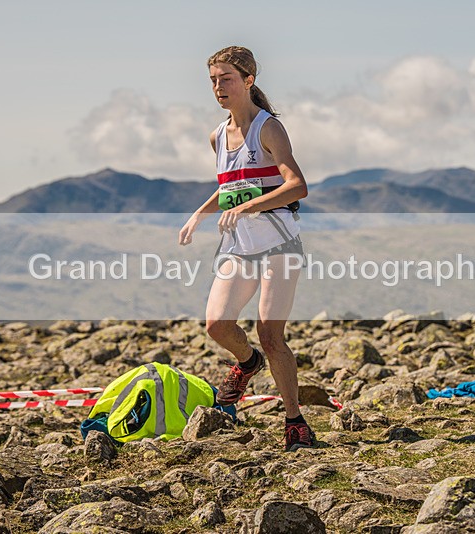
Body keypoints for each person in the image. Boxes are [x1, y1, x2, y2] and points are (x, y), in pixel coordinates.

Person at [178, 46, 314, 451]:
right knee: (217, 325)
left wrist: (249, 207)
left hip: (279, 245)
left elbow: (297, 186)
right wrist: (198, 215)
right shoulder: (217, 135)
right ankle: (248, 363)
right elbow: (232, 186)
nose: (219, 87)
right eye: (213, 80)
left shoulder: (268, 129)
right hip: (240, 248)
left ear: (249, 80)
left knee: (271, 335)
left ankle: (296, 423)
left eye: (227, 79)